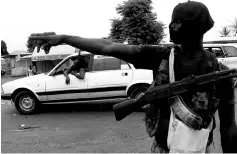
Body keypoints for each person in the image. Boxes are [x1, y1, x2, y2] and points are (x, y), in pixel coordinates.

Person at [29, 1, 237, 153]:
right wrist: (64, 38)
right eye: (173, 22)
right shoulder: (161, 56)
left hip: (199, 149)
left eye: (178, 23)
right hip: (163, 148)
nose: (172, 26)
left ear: (196, 27)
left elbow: (229, 127)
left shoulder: (218, 74)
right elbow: (108, 46)